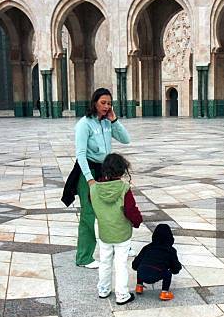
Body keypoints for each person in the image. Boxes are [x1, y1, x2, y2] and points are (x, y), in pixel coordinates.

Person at [60, 88, 130, 269]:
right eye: (103, 103)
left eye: (109, 103)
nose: (106, 107)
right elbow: (81, 155)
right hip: (88, 172)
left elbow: (126, 139)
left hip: (105, 172)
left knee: (113, 210)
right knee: (89, 214)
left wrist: (114, 120)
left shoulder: (107, 122)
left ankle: (119, 244)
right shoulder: (84, 124)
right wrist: (90, 180)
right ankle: (84, 257)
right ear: (94, 103)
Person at [91, 153, 142, 305]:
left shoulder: (93, 189)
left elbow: (93, 205)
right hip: (122, 234)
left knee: (105, 262)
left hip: (105, 233)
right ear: (122, 170)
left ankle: (103, 289)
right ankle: (122, 295)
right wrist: (137, 221)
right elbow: (131, 210)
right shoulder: (124, 189)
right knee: (120, 265)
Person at [132, 223, 182, 301]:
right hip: (156, 274)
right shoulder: (170, 250)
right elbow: (175, 267)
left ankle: (139, 286)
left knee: (141, 265)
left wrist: (137, 267)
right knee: (168, 273)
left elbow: (135, 265)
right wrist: (174, 269)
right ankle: (164, 293)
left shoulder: (147, 247)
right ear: (170, 237)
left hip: (142, 274)